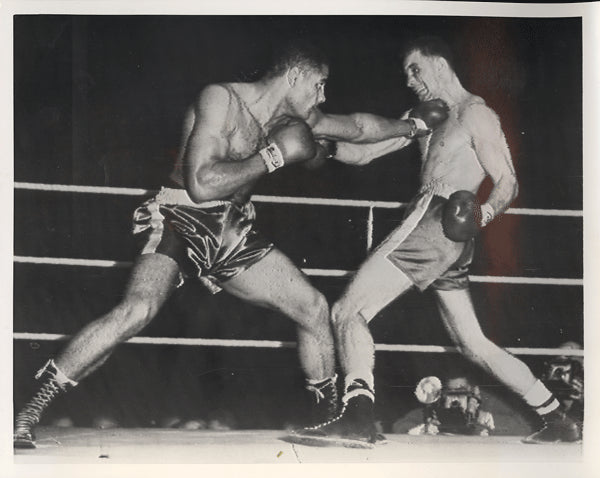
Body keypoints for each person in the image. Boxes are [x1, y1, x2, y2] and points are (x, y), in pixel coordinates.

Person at [13, 40, 448, 448]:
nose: (321, 95)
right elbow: (202, 184)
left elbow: (356, 127)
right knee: (136, 310)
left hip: (231, 229)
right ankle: (27, 411)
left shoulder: (295, 120)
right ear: (295, 75)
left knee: (313, 308)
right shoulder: (220, 99)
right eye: (318, 84)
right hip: (181, 217)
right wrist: (272, 157)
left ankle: (333, 415)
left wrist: (412, 124)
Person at [291, 36, 582, 447]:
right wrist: (318, 147)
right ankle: (557, 418)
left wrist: (481, 214)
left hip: (437, 219)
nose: (410, 80)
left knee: (347, 309)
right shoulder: (427, 116)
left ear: (441, 65)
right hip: (446, 234)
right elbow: (366, 151)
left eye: (416, 69)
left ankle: (358, 417)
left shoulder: (476, 115)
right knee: (472, 343)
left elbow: (507, 181)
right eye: (406, 73)